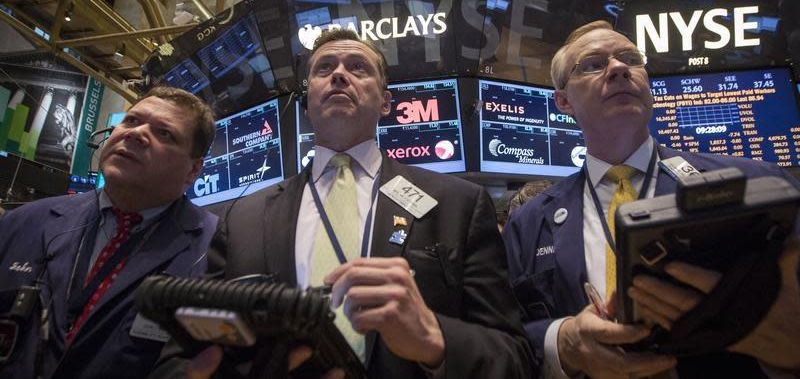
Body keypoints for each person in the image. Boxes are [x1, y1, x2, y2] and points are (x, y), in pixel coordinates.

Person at [153, 28, 535, 378]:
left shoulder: (457, 205)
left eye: (358, 67)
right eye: (324, 68)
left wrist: (436, 340)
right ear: (306, 104)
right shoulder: (243, 218)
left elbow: (515, 357)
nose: (339, 75)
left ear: (386, 103)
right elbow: (181, 353)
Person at [503, 20, 800, 378]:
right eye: (593, 64)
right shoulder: (530, 221)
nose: (618, 68)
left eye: (630, 58)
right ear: (564, 100)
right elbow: (507, 335)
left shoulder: (758, 184)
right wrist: (562, 340)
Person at [0, 86, 219, 379]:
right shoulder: (25, 222)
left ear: (193, 170)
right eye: (131, 120)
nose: (135, 133)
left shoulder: (216, 250)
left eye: (164, 133)